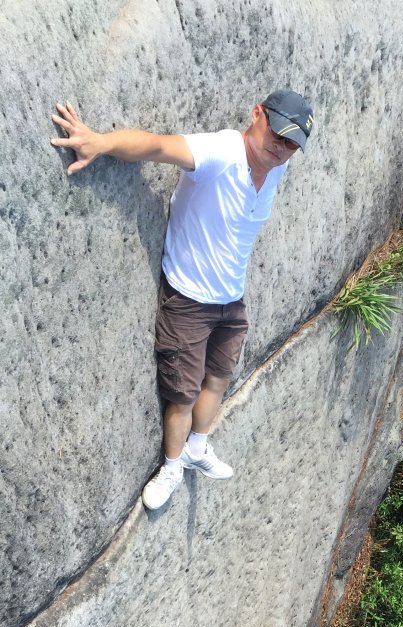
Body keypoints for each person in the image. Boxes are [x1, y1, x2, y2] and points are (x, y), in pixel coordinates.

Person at [50, 90, 314, 509]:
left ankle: (197, 447)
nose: (280, 149)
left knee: (219, 378)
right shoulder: (221, 151)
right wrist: (99, 142)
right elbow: (157, 145)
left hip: (231, 297)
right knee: (183, 395)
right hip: (189, 297)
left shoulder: (274, 168)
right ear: (257, 114)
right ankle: (172, 465)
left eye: (291, 145)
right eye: (277, 135)